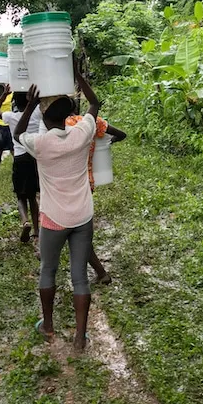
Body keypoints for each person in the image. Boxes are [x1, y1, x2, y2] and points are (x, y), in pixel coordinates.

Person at [15, 72, 101, 352]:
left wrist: (29, 105)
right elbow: (94, 104)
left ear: (44, 117)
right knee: (79, 276)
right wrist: (76, 75)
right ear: (67, 116)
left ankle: (48, 326)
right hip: (82, 215)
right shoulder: (81, 135)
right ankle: (79, 338)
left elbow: (18, 134)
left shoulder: (41, 145)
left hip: (53, 218)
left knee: (48, 271)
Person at [65, 105, 127, 286]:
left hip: (66, 185)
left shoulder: (59, 126)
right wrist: (104, 143)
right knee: (79, 228)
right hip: (86, 182)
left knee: (75, 231)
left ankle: (100, 272)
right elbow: (121, 135)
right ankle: (97, 272)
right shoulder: (92, 123)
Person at [0, 91, 41, 237]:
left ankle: (25, 221)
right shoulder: (37, 113)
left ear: (14, 102)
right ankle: (36, 230)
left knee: (21, 196)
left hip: (20, 157)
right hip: (34, 158)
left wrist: (3, 95)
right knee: (32, 197)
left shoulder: (10, 116)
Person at [0, 82, 15, 176]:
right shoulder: (9, 97)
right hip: (9, 125)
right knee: (12, 149)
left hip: (0, 127)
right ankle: (15, 168)